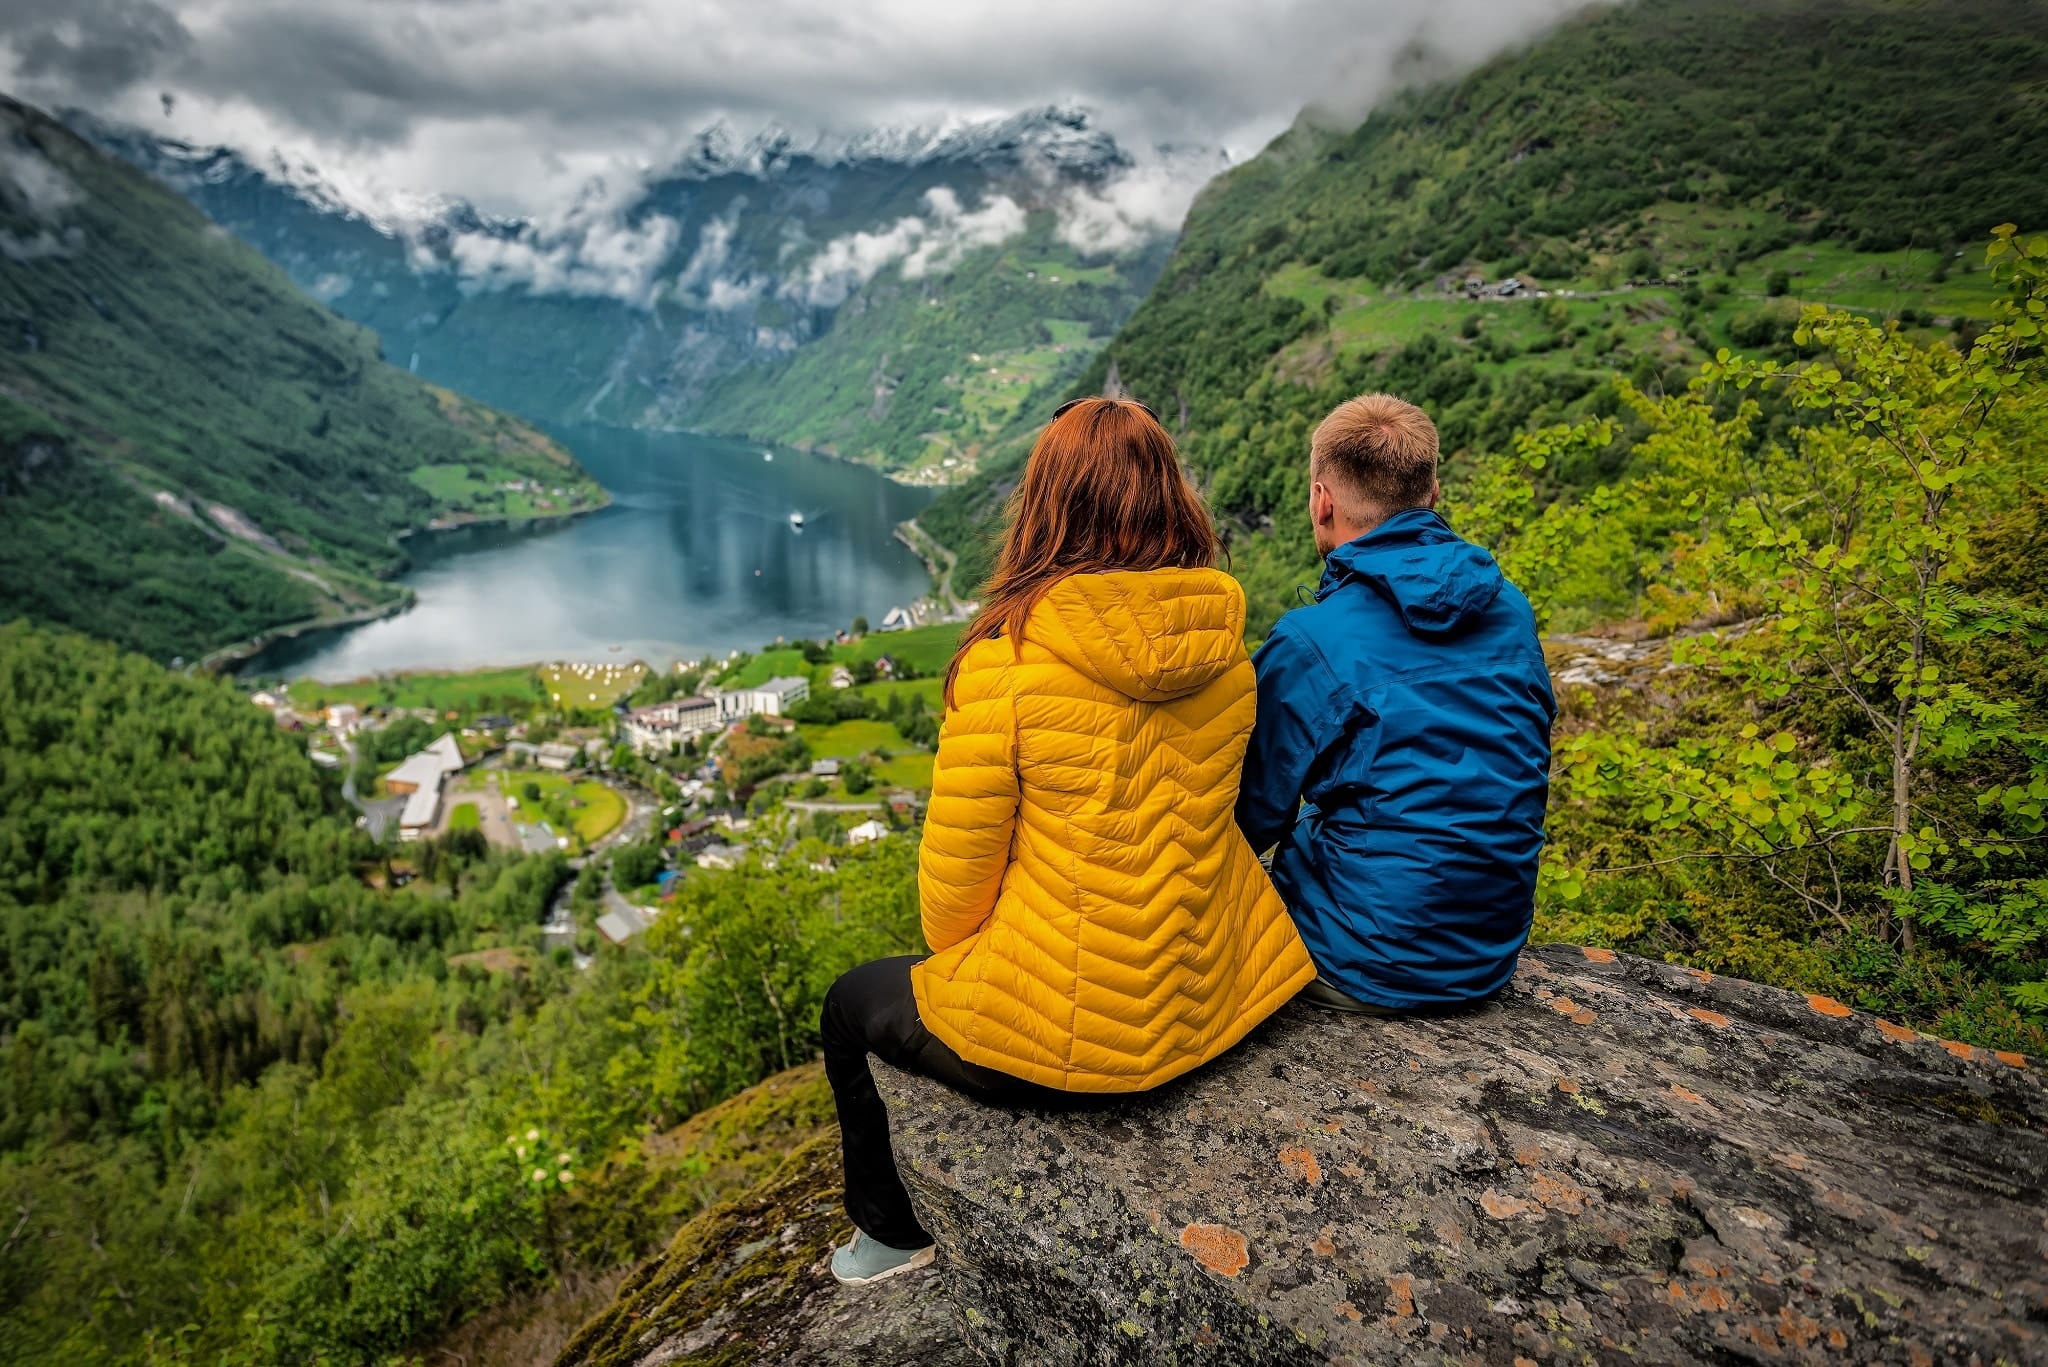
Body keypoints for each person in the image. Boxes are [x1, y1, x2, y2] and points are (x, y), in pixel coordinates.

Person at [821, 397, 1315, 1286]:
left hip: (1074, 1048)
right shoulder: (1228, 649)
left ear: (1045, 504)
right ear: (1171, 496)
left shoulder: (1006, 663)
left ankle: (891, 1234)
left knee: (851, 1002)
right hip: (1211, 1000)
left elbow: (951, 911)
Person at [1237, 393, 1555, 1016]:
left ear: (1322, 501)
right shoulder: (1510, 608)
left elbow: (1249, 815)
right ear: (1433, 490)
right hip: (1488, 955)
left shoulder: (1312, 641)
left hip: (1360, 962)